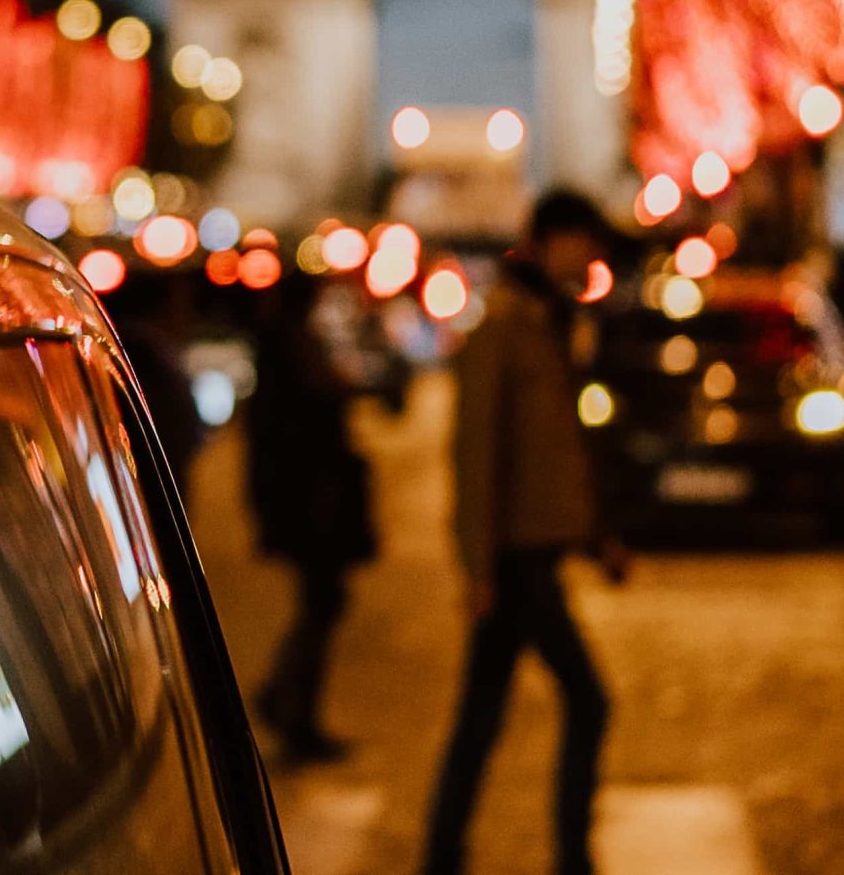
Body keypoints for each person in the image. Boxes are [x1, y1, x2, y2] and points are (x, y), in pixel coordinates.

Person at [421, 188, 630, 875]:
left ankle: (444, 856)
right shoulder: (505, 327)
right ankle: (571, 858)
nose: (594, 257)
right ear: (553, 241)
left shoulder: (549, 320)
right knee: (587, 701)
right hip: (515, 563)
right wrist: (477, 568)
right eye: (586, 242)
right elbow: (477, 454)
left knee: (481, 717)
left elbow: (562, 447)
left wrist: (597, 535)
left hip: (533, 553)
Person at [244, 272, 375, 762]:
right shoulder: (291, 347)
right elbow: (321, 403)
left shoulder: (282, 345)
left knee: (321, 603)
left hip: (304, 501)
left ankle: (287, 700)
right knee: (322, 603)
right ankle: (291, 707)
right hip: (312, 504)